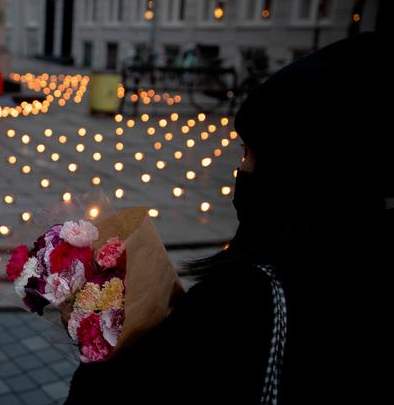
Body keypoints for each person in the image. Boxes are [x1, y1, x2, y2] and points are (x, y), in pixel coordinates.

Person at [64, 32, 392, 404]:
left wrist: (99, 340)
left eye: (248, 154)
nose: (240, 169)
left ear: (295, 171)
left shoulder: (239, 302)